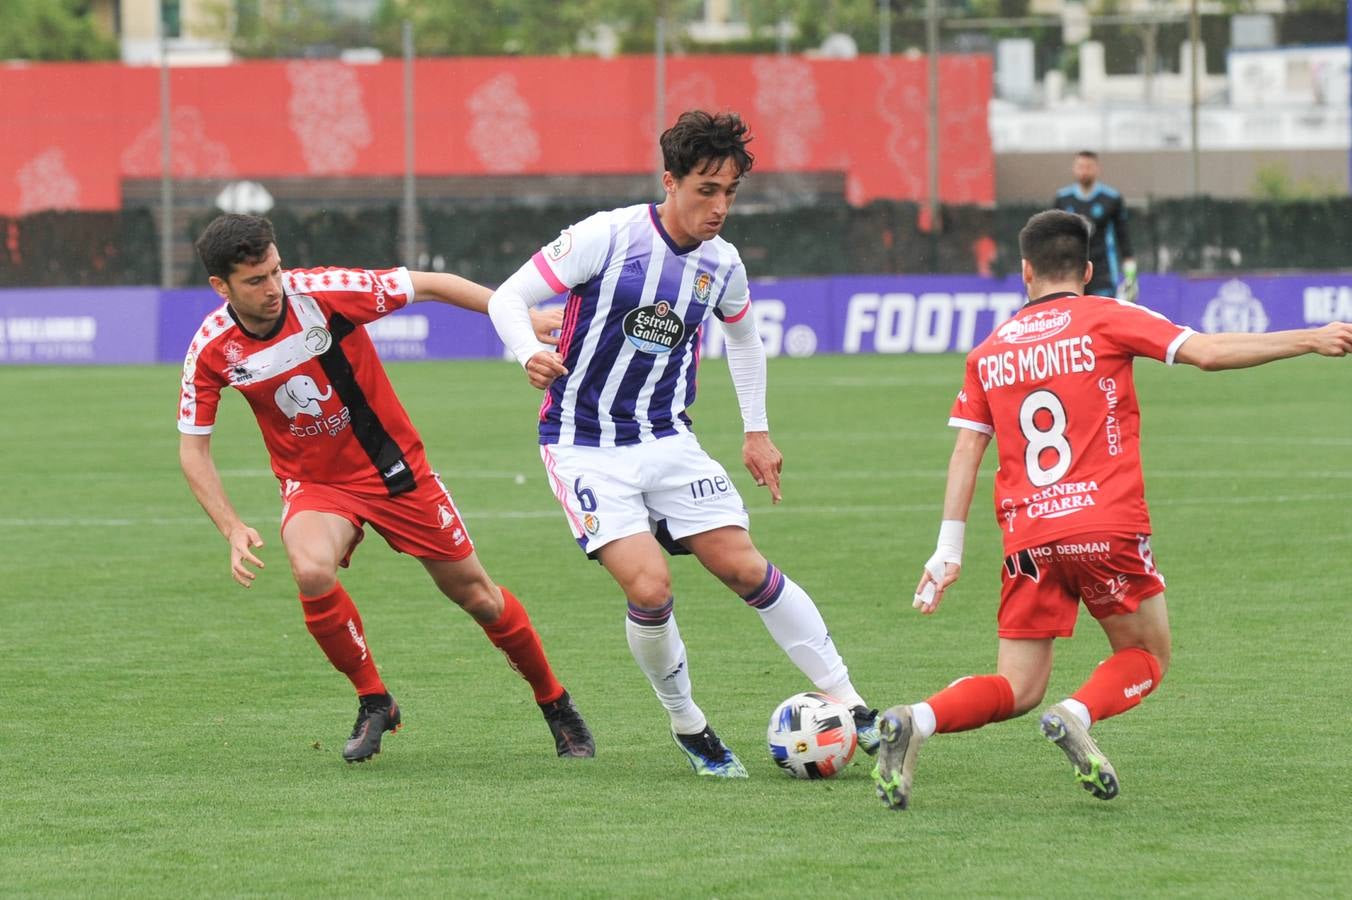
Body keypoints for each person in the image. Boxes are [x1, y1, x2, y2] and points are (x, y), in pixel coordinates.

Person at [872, 209, 1352, 810]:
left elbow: (968, 446)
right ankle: (1077, 713)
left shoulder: (989, 350)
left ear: (1025, 272)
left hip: (1027, 538)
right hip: (1103, 524)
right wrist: (1308, 338)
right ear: (1089, 270)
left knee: (1016, 686)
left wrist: (948, 550)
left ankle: (916, 718)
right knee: (1147, 654)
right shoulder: (1107, 316)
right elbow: (1204, 352)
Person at [485, 110, 879, 778]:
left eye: (729, 192)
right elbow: (507, 297)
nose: (719, 206)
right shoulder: (606, 237)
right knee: (650, 583)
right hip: (584, 445)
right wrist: (527, 350)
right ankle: (688, 722)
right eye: (706, 189)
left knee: (745, 566)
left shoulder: (723, 265)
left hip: (669, 439)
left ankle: (854, 706)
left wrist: (756, 431)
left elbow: (745, 339)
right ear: (670, 181)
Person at [178, 214, 594, 764]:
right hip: (318, 485)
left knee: (479, 597)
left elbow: (430, 284)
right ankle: (375, 699)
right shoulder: (212, 348)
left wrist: (516, 317)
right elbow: (193, 449)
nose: (273, 287)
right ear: (220, 287)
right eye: (255, 281)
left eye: (276, 270)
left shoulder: (322, 294)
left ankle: (555, 703)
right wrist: (231, 527)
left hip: (396, 473)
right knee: (309, 569)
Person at [1053, 150, 1137, 301]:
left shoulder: (1111, 199)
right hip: (1071, 271)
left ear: (1097, 169)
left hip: (1102, 272)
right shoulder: (1063, 199)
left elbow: (1123, 237)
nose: (1084, 171)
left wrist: (1130, 276)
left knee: (1102, 316)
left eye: (1089, 167)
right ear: (1074, 169)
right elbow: (1054, 238)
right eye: (1080, 166)